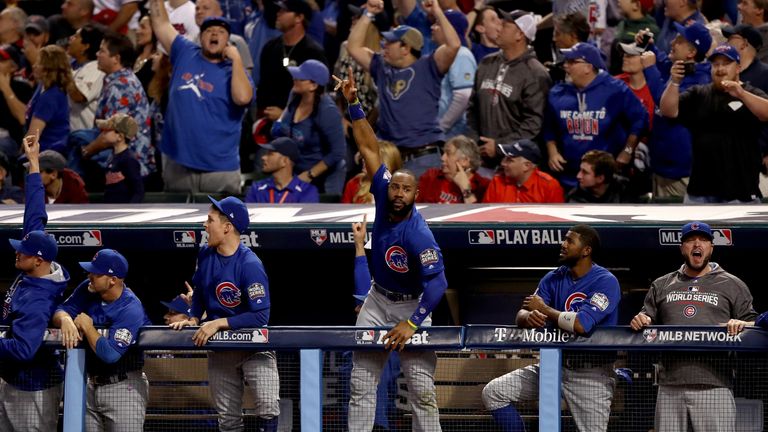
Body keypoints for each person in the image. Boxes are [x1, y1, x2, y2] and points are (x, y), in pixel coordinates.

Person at [337, 64, 450, 432]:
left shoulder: (419, 234)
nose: (398, 193)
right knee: (361, 384)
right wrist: (354, 103)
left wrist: (412, 322)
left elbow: (438, 284)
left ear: (417, 194)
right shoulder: (383, 194)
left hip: (412, 304)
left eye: (406, 190)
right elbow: (368, 146)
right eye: (395, 187)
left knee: (421, 390)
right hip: (377, 300)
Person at [483, 224, 620, 432]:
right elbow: (522, 314)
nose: (563, 244)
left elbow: (582, 324)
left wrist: (544, 309)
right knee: (494, 393)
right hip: (552, 367)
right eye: (564, 239)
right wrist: (529, 317)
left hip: (591, 373)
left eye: (570, 241)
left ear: (586, 250)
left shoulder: (605, 281)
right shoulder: (554, 277)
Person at [630, 221, 758, 432]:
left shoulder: (732, 284)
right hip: (670, 385)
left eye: (703, 240)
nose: (697, 244)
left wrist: (743, 323)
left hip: (715, 384)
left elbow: (756, 326)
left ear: (711, 248)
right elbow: (647, 317)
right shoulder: (662, 284)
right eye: (690, 240)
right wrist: (641, 319)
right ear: (682, 248)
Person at [169, 195, 281, 431]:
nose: (204, 225)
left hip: (254, 347)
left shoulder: (249, 264)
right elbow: (200, 290)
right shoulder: (205, 254)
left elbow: (261, 316)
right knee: (228, 420)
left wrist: (218, 322)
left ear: (227, 227)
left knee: (267, 407)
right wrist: (193, 317)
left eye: (210, 220)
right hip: (221, 348)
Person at [0, 132, 70, 431]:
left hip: (33, 388)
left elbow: (24, 350)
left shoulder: (38, 299)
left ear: (39, 260)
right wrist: (33, 164)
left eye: (23, 252)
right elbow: (35, 214)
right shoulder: (37, 260)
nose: (17, 253)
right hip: (15, 381)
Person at [347, 0, 460, 179]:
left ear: (406, 48)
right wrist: (368, 13)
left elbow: (454, 45)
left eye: (390, 42)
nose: (384, 45)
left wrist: (437, 12)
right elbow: (353, 47)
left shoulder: (429, 66)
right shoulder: (382, 67)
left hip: (423, 158)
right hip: (391, 157)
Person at [150, 0, 253, 195]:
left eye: (221, 31)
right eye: (209, 30)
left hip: (220, 169)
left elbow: (242, 98)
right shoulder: (185, 52)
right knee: (177, 215)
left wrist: (237, 59)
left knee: (222, 216)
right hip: (178, 165)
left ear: (228, 41)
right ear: (200, 36)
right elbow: (161, 24)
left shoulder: (234, 72)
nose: (214, 34)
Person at [53, 248, 151, 432]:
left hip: (123, 387)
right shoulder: (87, 289)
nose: (89, 275)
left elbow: (111, 354)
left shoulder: (130, 308)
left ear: (112, 280)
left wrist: (88, 328)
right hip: (89, 384)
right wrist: (65, 319)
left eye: (96, 273)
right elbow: (60, 309)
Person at [659, 43, 768, 203]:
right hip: (700, 193)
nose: (720, 69)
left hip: (741, 192)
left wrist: (741, 94)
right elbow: (668, 111)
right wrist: (674, 82)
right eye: (716, 64)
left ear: (738, 68)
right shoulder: (698, 93)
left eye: (726, 63)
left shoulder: (750, 93)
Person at [544, 42, 648, 190]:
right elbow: (549, 127)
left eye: (572, 62)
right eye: (566, 61)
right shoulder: (557, 93)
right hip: (568, 175)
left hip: (605, 179)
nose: (565, 66)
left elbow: (640, 120)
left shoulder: (615, 90)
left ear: (588, 67)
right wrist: (552, 152)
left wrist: (627, 151)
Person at [466, 10, 551, 169]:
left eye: (504, 25)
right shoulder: (486, 63)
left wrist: (500, 147)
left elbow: (533, 124)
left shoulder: (536, 73)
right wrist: (476, 141)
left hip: (516, 165)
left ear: (520, 34)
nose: (498, 28)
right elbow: (472, 107)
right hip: (482, 158)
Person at [271, 59, 346, 194]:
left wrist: (310, 174)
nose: (295, 79)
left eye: (300, 78)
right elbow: (281, 126)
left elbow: (338, 152)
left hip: (324, 177)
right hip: (297, 169)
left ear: (313, 85)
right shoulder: (294, 95)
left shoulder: (327, 111)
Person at [435, 9, 476, 139]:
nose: (432, 27)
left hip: (452, 135)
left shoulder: (461, 55)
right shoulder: (440, 53)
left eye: (438, 24)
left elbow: (463, 97)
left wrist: (441, 127)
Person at [25, 45, 72, 155]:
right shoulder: (42, 87)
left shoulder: (51, 96)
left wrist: (21, 157)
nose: (34, 66)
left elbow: (32, 137)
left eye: (39, 63)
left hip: (47, 154)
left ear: (48, 69)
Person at [483, 140, 564, 203]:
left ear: (526, 166)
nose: (502, 163)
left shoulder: (549, 186)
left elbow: (556, 218)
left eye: (509, 160)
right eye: (504, 158)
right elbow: (487, 216)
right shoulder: (497, 182)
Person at [245, 137, 320, 203]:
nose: (263, 157)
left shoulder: (306, 191)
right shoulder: (256, 188)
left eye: (270, 154)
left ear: (284, 161)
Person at [417, 135, 489, 203]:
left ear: (464, 161)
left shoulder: (482, 186)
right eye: (443, 153)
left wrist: (465, 189)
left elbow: (477, 212)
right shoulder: (430, 177)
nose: (442, 158)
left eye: (448, 153)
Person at [67, 23, 107, 132]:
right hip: (66, 132)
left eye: (76, 37)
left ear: (85, 46)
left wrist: (64, 70)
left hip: (83, 134)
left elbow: (78, 97)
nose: (70, 38)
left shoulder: (96, 69)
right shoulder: (71, 64)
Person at [97, 113, 144, 203]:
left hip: (122, 209)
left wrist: (129, 209)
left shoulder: (129, 160)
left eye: (108, 130)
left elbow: (138, 191)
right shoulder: (112, 157)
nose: (103, 133)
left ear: (120, 136)